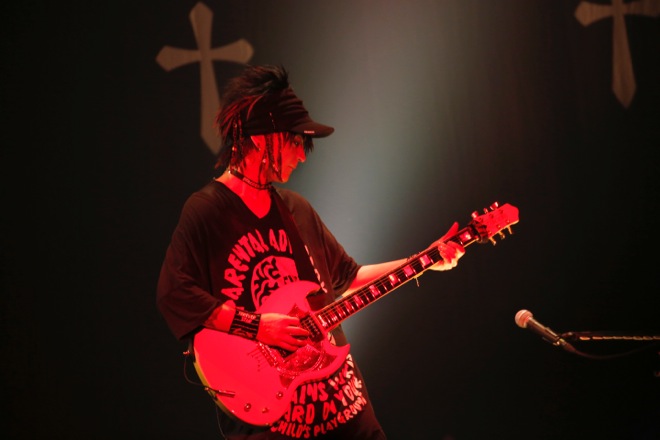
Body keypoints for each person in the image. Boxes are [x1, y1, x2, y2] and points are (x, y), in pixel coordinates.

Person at [157, 64, 465, 439]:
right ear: (262, 138)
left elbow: (348, 277)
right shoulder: (207, 210)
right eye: (295, 142)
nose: (302, 156)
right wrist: (259, 326)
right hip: (276, 417)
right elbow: (175, 294)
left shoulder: (296, 208)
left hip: (344, 406)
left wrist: (426, 260)